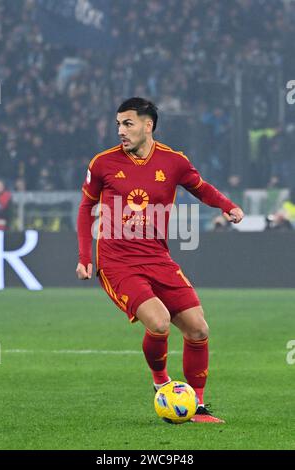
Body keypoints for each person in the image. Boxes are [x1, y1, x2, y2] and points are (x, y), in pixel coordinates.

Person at [76, 97, 244, 423]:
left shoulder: (174, 161)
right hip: (117, 261)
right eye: (118, 124)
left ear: (147, 125)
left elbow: (201, 188)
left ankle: (196, 406)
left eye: (128, 123)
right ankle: (161, 383)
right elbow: (86, 209)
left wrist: (227, 205)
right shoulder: (103, 163)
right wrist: (85, 257)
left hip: (157, 257)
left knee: (198, 329)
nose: (120, 131)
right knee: (159, 321)